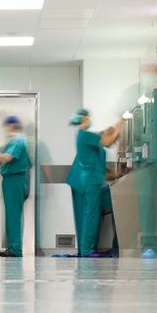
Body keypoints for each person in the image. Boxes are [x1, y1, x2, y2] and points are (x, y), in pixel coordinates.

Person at [66, 109, 123, 258]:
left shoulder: (86, 136)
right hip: (87, 180)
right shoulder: (85, 135)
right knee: (90, 214)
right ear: (84, 119)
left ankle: (86, 249)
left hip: (88, 179)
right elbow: (108, 141)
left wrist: (116, 174)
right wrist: (121, 122)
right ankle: (87, 250)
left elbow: (104, 143)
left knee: (88, 214)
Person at [0, 116, 31, 258]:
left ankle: (16, 249)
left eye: (6, 127)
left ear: (12, 126)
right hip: (13, 180)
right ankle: (13, 247)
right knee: (12, 215)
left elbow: (7, 158)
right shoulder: (17, 142)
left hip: (14, 181)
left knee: (13, 215)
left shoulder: (18, 140)